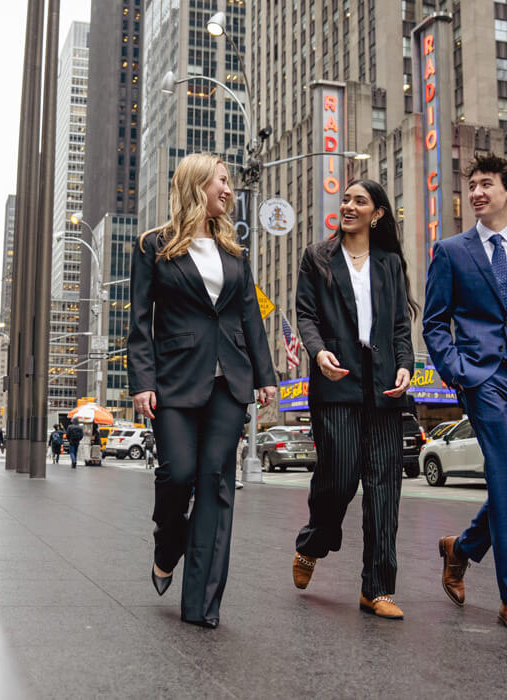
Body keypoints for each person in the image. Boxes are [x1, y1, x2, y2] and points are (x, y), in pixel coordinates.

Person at [128, 152, 276, 629]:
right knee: (177, 475)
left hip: (229, 380)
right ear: (197, 185)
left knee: (216, 482)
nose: (229, 190)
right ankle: (167, 546)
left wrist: (266, 376)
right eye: (222, 181)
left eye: (230, 182)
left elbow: (249, 316)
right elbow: (139, 323)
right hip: (174, 378)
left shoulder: (235, 253)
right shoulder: (154, 246)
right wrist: (141, 383)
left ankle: (201, 605)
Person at [421, 153, 507, 635]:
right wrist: (458, 372)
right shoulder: (452, 251)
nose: (476, 193)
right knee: (504, 476)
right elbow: (435, 323)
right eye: (472, 185)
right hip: (481, 378)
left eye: (486, 185)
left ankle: (459, 549)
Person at [290, 179, 418, 620]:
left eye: (358, 201)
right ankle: (313, 542)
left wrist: (407, 365)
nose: (348, 205)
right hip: (337, 380)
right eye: (345, 199)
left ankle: (377, 588)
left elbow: (401, 326)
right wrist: (317, 350)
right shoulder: (317, 258)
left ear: (377, 213)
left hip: (384, 386)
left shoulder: (389, 263)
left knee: (385, 489)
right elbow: (304, 314)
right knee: (340, 476)